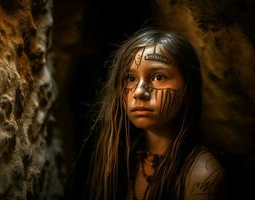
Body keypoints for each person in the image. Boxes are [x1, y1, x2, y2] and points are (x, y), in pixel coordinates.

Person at [86, 28, 227, 200]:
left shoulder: (202, 175)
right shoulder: (118, 162)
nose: (138, 92)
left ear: (188, 90)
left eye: (158, 77)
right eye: (130, 79)